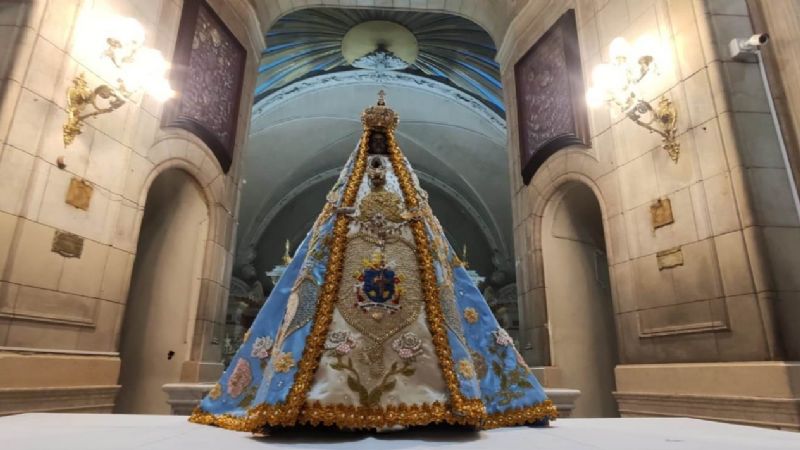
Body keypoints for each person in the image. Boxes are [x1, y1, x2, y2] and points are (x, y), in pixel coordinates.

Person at [190, 91, 556, 432]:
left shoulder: (411, 217)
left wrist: (404, 223)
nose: (378, 169)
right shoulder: (344, 216)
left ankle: (437, 400)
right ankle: (314, 400)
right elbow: (321, 255)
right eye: (373, 157)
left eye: (384, 158)